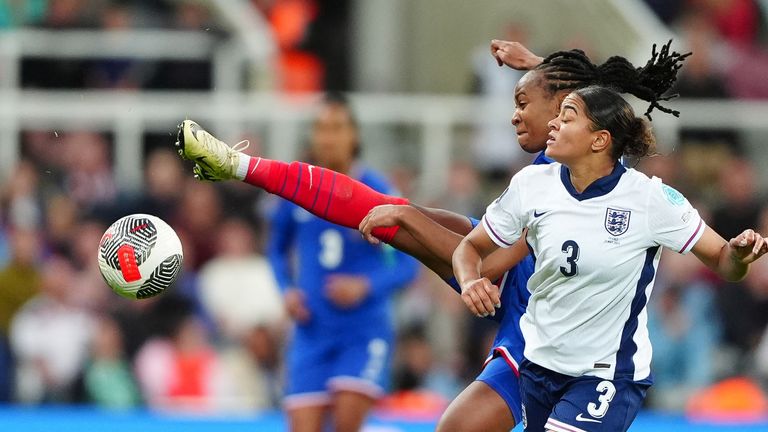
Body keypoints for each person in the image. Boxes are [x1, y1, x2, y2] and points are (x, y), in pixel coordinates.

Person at [174, 41, 690, 431]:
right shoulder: (553, 160)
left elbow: (488, 265)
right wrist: (536, 66)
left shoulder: (592, 177)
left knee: (395, 212)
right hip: (524, 317)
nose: (513, 113)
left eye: (521, 101)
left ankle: (240, 165)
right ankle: (238, 164)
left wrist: (411, 225)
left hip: (567, 342)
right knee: (397, 211)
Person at [451, 84, 768, 432]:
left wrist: (738, 254)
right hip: (538, 367)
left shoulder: (650, 199)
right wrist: (470, 281)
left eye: (567, 117)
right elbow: (470, 247)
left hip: (607, 375)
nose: (553, 124)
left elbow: (724, 260)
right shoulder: (531, 184)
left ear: (599, 140)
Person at [266, 93, 421, 431]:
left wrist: (365, 286)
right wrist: (287, 291)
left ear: (354, 136)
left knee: (346, 422)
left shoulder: (377, 192)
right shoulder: (296, 189)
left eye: (337, 127)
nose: (328, 137)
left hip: (363, 331)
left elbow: (409, 265)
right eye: (320, 128)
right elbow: (276, 251)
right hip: (311, 332)